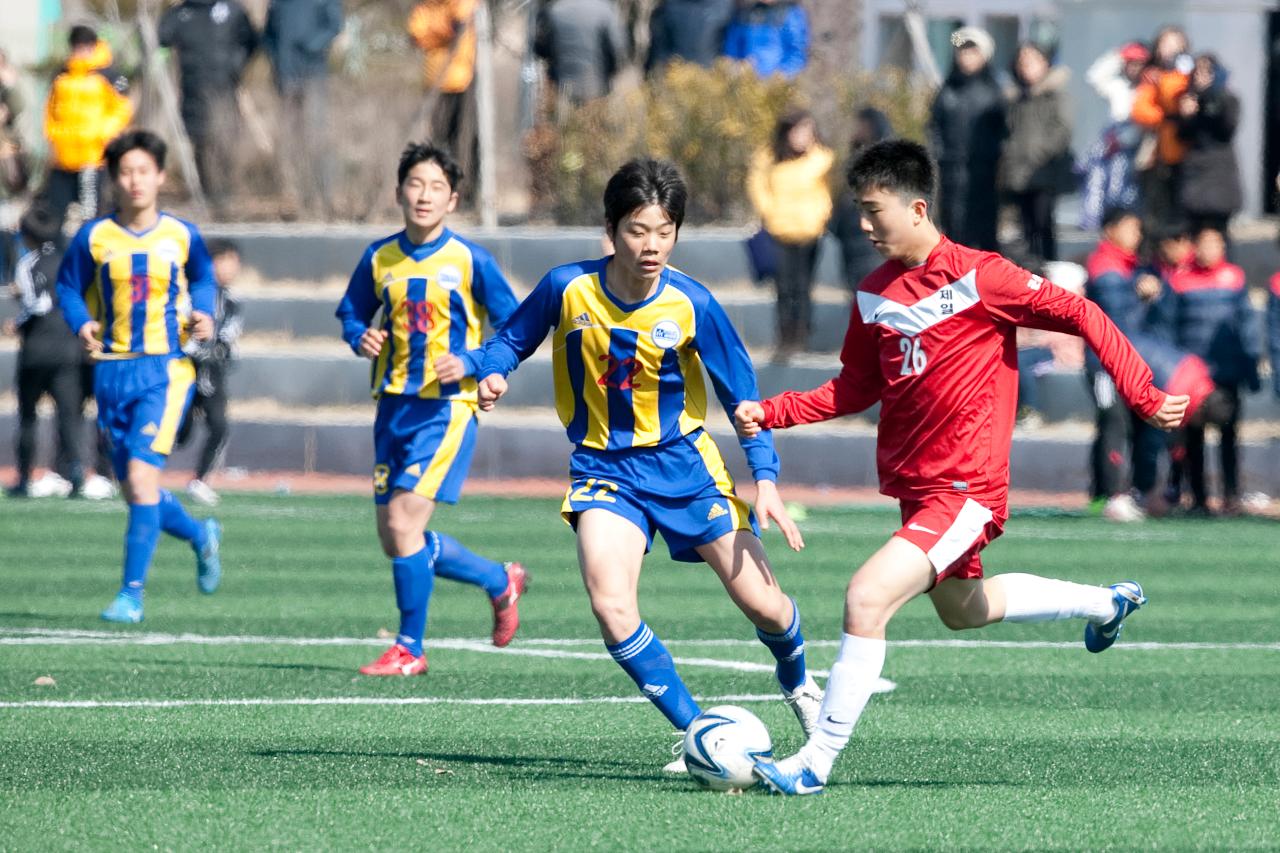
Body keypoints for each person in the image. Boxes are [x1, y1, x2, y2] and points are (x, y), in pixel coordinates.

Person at [738, 139, 1187, 795]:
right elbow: (853, 389)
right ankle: (1106, 602)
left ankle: (815, 762)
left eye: (872, 210)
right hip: (918, 494)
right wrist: (772, 410)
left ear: (916, 207)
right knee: (963, 608)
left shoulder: (984, 276)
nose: (862, 226)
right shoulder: (872, 295)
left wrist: (1142, 393)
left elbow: (1084, 312)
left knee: (866, 596)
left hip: (966, 489)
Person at [476, 158, 822, 770]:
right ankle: (699, 735)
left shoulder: (693, 303)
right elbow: (511, 337)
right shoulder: (567, 288)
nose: (652, 245)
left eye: (665, 231)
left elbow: (745, 401)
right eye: (638, 230)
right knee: (611, 605)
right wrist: (497, 370)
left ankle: (797, 681)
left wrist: (765, 479)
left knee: (766, 606)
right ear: (611, 229)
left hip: (686, 468)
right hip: (603, 470)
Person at [335, 142, 528, 677]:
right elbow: (352, 312)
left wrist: (470, 360)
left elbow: (515, 325)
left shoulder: (469, 259)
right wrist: (360, 336)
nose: (424, 195)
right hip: (392, 408)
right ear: (399, 192)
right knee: (395, 536)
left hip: (447, 410)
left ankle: (410, 649)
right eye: (415, 184)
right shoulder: (380, 258)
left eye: (436, 187)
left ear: (453, 199)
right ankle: (497, 579)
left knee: (402, 525)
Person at [55, 130, 223, 623]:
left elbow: (206, 278)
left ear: (160, 177)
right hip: (112, 373)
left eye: (143, 171)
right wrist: (82, 322)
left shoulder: (181, 234)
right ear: (113, 179)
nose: (134, 181)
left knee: (140, 477)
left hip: (165, 370)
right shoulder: (95, 237)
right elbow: (69, 288)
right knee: (136, 488)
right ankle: (199, 535)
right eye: (125, 172)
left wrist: (205, 314)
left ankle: (131, 594)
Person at [1161, 226, 1259, 514]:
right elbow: (1168, 326)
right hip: (1193, 375)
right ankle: (1199, 498)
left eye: (1215, 244)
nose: (1209, 251)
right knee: (1194, 438)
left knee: (1229, 435)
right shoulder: (1179, 280)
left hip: (1227, 371)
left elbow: (1247, 326)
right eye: (1204, 244)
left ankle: (1231, 495)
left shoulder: (1234, 278)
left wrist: (1249, 365)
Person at [1082, 207, 1164, 520]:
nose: (1137, 235)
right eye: (1131, 228)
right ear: (1111, 230)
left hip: (1127, 363)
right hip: (1104, 363)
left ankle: (1112, 493)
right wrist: (1140, 293)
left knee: (1125, 424)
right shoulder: (1106, 266)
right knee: (1113, 422)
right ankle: (1113, 495)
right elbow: (1118, 318)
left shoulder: (1132, 267)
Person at [7, 203, 85, 498]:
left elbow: (35, 305)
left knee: (28, 416)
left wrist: (17, 323)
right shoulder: (67, 261)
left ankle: (25, 476)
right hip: (66, 349)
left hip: (36, 351)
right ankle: (75, 472)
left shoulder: (27, 265)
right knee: (69, 416)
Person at [746, 109, 833, 361]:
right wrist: (768, 211)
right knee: (784, 286)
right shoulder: (770, 158)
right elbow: (758, 185)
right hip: (780, 229)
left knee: (803, 285)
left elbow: (826, 192)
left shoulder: (821, 160)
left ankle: (802, 335)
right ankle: (785, 336)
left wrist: (820, 216)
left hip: (809, 231)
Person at [158, 0, 259, 215]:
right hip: (193, 89)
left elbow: (250, 40)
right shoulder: (181, 13)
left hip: (225, 89)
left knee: (226, 141)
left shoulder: (230, 10)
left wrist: (236, 63)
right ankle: (206, 194)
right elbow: (162, 38)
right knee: (201, 141)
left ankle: (226, 194)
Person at [41, 26, 132, 229]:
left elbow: (122, 109)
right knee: (56, 214)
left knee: (91, 214)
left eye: (84, 47)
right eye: (77, 47)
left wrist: (103, 133)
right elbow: (50, 109)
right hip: (63, 156)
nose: (80, 52)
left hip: (93, 156)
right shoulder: (62, 75)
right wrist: (53, 136)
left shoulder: (107, 74)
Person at [176, 239, 244, 506]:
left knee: (219, 425)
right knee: (179, 432)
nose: (230, 269)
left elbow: (228, 337)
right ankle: (140, 470)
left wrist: (223, 352)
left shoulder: (232, 302)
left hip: (213, 374)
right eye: (224, 261)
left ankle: (200, 480)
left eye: (234, 263)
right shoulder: (192, 295)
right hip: (186, 370)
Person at [262, 0, 343, 219]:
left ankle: (324, 194)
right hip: (285, 77)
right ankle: (291, 195)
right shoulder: (277, 3)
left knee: (317, 136)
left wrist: (310, 47)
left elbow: (334, 25)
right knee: (288, 140)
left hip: (313, 76)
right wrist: (275, 56)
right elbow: (268, 34)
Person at [929, 27, 1006, 252]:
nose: (966, 57)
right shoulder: (947, 90)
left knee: (983, 232)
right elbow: (935, 127)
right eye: (962, 51)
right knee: (954, 229)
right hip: (952, 173)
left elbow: (1003, 131)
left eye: (973, 51)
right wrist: (940, 155)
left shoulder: (994, 92)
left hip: (984, 174)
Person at [1000, 42, 1072, 265]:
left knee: (1044, 222)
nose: (1026, 68)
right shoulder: (1015, 97)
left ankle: (1049, 267)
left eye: (1032, 62)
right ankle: (1029, 268)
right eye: (1023, 63)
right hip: (1018, 171)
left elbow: (1063, 130)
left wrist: (1038, 154)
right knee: (1026, 225)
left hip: (1045, 170)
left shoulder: (1055, 94)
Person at [1080, 41, 1149, 230]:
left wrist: (1122, 140)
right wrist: (1118, 55)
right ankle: (1094, 223)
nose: (1134, 69)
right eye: (1131, 63)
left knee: (1122, 191)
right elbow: (1094, 77)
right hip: (1110, 140)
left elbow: (1143, 124)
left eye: (1139, 64)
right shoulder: (1117, 86)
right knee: (1096, 180)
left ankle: (1121, 224)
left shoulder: (1147, 89)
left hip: (1131, 145)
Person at [407, 0, 478, 179]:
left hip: (464, 78)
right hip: (435, 80)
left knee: (465, 139)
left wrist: (436, 32)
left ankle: (467, 187)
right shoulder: (425, 6)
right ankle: (442, 181)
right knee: (439, 138)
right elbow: (416, 34)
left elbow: (459, 23)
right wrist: (444, 29)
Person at [1131, 26, 1193, 230]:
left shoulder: (1190, 72)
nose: (1169, 49)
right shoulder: (1151, 76)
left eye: (1174, 44)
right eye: (1164, 44)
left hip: (1187, 152)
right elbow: (1140, 110)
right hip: (1158, 154)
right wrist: (1165, 117)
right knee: (1156, 210)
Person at [1175, 54, 1242, 240]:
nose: (1201, 77)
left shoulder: (1227, 100)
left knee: (1218, 236)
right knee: (1194, 235)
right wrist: (1185, 116)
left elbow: (1226, 129)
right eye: (1197, 72)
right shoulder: (1188, 100)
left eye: (1207, 72)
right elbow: (1182, 136)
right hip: (1195, 179)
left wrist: (1209, 96)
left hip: (1219, 179)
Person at [829, 108, 893, 291]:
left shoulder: (889, 164)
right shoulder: (850, 163)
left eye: (863, 125)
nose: (858, 130)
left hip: (873, 246)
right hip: (850, 242)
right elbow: (841, 200)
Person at [533, 0, 628, 106]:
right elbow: (617, 49)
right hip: (596, 86)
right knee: (592, 121)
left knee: (563, 120)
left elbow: (541, 48)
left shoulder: (554, 9)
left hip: (561, 87)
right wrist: (611, 73)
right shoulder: (605, 10)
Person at [722, 0, 808, 79]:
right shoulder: (745, 14)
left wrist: (783, 75)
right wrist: (736, 66)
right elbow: (732, 48)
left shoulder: (790, 13)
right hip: (746, 81)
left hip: (777, 84)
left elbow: (797, 51)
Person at [645, 0, 735, 74]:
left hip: (709, 75)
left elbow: (734, 40)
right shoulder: (670, 6)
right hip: (675, 74)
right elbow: (659, 43)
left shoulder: (725, 6)